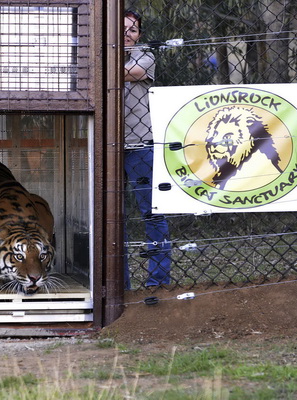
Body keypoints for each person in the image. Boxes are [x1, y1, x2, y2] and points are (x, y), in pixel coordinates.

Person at [123, 10, 171, 289]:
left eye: (133, 30)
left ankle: (158, 280)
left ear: (139, 34)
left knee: (152, 212)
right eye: (122, 29)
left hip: (139, 145)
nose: (127, 34)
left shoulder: (145, 55)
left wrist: (100, 63)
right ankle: (120, 284)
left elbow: (134, 73)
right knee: (111, 218)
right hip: (107, 147)